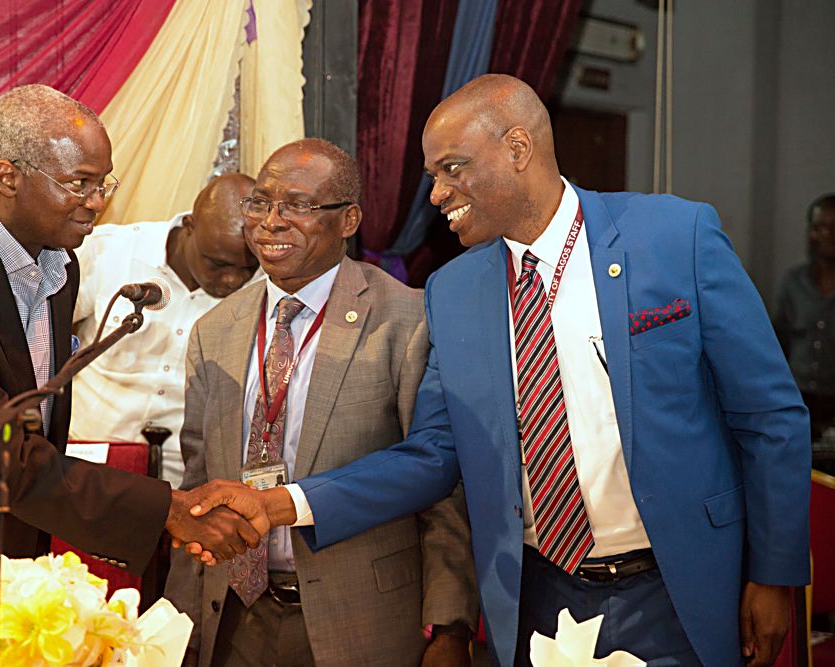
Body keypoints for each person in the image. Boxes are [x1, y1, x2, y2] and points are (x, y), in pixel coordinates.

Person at [187, 75, 811, 667]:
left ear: (518, 148)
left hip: (680, 586)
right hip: (538, 596)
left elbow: (769, 416)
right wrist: (280, 504)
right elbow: (432, 455)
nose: (435, 195)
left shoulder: (674, 236)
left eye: (451, 169)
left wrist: (774, 572)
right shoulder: (453, 291)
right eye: (432, 176)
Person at [0, 84, 257, 662]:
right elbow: (1, 456)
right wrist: (169, 510)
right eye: (79, 183)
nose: (96, 201)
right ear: (8, 177)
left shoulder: (58, 266)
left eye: (102, 182)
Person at [166, 138, 478, 666]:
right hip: (236, 618)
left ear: (349, 219)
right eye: (260, 202)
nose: (271, 221)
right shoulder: (213, 330)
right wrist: (180, 626)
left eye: (299, 205)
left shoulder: (408, 321)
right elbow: (196, 484)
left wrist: (451, 629)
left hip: (361, 621)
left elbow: (442, 486)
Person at [70, 172, 260, 485]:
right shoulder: (112, 252)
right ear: (190, 226)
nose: (232, 280)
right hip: (86, 464)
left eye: (246, 268)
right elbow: (39, 339)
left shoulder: (264, 291)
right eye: (218, 264)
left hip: (184, 484)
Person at [774, 194, 835, 444]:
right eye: (821, 227)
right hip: (797, 399)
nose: (828, 235)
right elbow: (779, 341)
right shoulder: (793, 282)